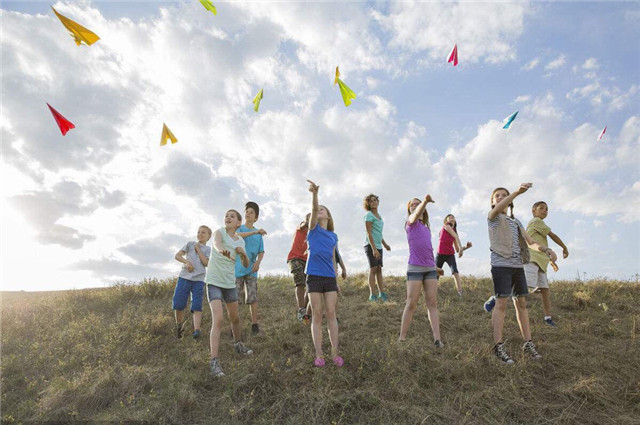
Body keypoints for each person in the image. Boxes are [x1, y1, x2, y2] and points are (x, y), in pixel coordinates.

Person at [483, 184, 557, 365]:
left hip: (518, 266)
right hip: (501, 265)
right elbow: (500, 208)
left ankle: (528, 343)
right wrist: (516, 193)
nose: (501, 198)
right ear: (493, 202)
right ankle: (498, 346)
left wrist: (545, 249)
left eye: (504, 195)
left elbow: (530, 241)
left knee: (521, 303)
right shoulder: (492, 217)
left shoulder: (516, 222)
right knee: (501, 303)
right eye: (497, 196)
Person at [205, 210, 254, 377]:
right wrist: (222, 251)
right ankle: (214, 360)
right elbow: (218, 245)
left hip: (229, 283)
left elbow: (246, 263)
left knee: (235, 318)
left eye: (232, 216)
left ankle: (238, 344)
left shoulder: (240, 240)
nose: (228, 217)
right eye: (226, 215)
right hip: (214, 281)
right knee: (218, 319)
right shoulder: (219, 233)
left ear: (238, 223)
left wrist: (242, 253)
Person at [305, 179, 344, 367]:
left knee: (331, 313)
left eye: (323, 209)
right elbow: (312, 211)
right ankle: (319, 354)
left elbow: (333, 258)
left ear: (328, 216)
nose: (319, 210)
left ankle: (335, 352)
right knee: (317, 314)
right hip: (313, 275)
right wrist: (314, 195)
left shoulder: (333, 236)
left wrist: (336, 280)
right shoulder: (312, 229)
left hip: (329, 277)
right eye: (317, 209)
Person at [399, 194, 445, 347]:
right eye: (413, 204)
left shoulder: (426, 229)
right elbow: (415, 215)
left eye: (417, 204)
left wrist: (435, 267)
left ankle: (437, 339)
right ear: (410, 210)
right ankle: (402, 338)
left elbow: (428, 249)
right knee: (411, 303)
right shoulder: (410, 223)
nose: (415, 206)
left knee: (432, 303)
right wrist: (424, 201)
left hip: (430, 269)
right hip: (415, 268)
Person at [524, 201, 569, 327]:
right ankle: (498, 298)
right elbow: (552, 235)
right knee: (524, 287)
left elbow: (542, 243)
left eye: (547, 209)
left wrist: (550, 261)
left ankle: (548, 317)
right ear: (534, 211)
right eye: (541, 208)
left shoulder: (539, 225)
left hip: (540, 262)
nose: (545, 211)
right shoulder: (536, 221)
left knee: (545, 290)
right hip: (532, 259)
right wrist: (564, 247)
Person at [172, 225, 212, 339]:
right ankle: (179, 327)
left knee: (197, 305)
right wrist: (187, 262)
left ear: (208, 236)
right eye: (199, 231)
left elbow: (206, 263)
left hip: (198, 280)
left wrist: (198, 249)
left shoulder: (208, 250)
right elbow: (177, 255)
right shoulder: (189, 244)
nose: (200, 234)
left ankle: (196, 331)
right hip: (184, 278)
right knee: (178, 304)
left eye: (203, 232)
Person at [235, 201, 266, 335]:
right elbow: (237, 237)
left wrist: (258, 262)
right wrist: (255, 232)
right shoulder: (240, 228)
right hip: (237, 269)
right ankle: (235, 324)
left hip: (252, 271)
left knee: (252, 297)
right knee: (235, 299)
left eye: (251, 212)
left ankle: (254, 324)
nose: (248, 214)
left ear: (256, 217)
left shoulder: (259, 234)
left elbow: (261, 251)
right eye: (246, 211)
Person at [363, 194, 391, 302]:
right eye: (371, 201)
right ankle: (372, 294)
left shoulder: (379, 216)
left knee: (379, 269)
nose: (373, 202)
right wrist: (374, 249)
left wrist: (384, 244)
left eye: (375, 200)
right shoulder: (368, 215)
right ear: (368, 204)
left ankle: (381, 293)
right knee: (373, 269)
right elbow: (369, 233)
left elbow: (378, 233)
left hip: (379, 245)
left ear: (378, 202)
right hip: (370, 245)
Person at [436, 214, 472, 297]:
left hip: (450, 255)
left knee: (455, 271)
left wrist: (466, 247)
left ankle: (460, 292)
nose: (452, 218)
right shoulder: (446, 226)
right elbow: (456, 236)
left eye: (453, 217)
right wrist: (461, 249)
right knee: (436, 273)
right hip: (440, 254)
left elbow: (457, 249)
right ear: (446, 220)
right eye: (450, 217)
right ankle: (432, 290)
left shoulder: (454, 233)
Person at [287, 213, 311, 322]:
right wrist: (306, 222)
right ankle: (301, 309)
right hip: (295, 258)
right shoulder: (300, 228)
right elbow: (302, 224)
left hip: (308, 260)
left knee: (309, 285)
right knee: (300, 282)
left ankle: (304, 309)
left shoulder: (314, 234)